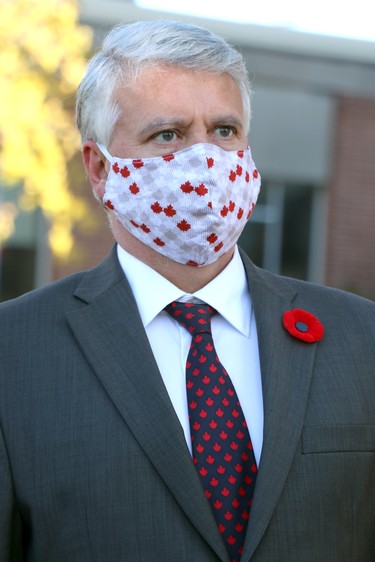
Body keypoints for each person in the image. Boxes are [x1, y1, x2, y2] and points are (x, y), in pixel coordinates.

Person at [0, 19, 374, 562]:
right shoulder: (14, 351)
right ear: (101, 169)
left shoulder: (361, 338)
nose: (205, 161)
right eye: (168, 134)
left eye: (225, 131)